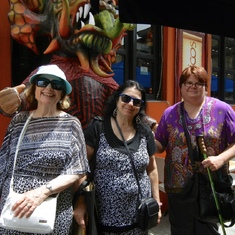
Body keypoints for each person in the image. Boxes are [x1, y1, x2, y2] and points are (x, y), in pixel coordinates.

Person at [0, 64, 90, 235]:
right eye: (43, 82)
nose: (48, 88)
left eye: (56, 85)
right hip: (14, 209)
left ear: (62, 93)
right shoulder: (19, 120)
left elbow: (76, 169)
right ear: (34, 88)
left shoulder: (70, 124)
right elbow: (3, 163)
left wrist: (41, 193)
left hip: (52, 211)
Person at [154, 65, 235, 235]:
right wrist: (141, 138)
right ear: (181, 87)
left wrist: (221, 159)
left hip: (211, 187)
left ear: (206, 86)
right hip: (179, 189)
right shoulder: (170, 113)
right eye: (188, 83)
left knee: (208, 231)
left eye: (199, 83)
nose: (193, 86)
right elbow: (160, 144)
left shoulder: (221, 110)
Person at [73, 80, 162, 235]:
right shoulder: (98, 128)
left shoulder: (144, 132)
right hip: (103, 218)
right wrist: (81, 203)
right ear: (117, 99)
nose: (130, 104)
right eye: (126, 98)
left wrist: (156, 202)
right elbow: (81, 168)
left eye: (136, 101)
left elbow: (152, 169)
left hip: (139, 218)